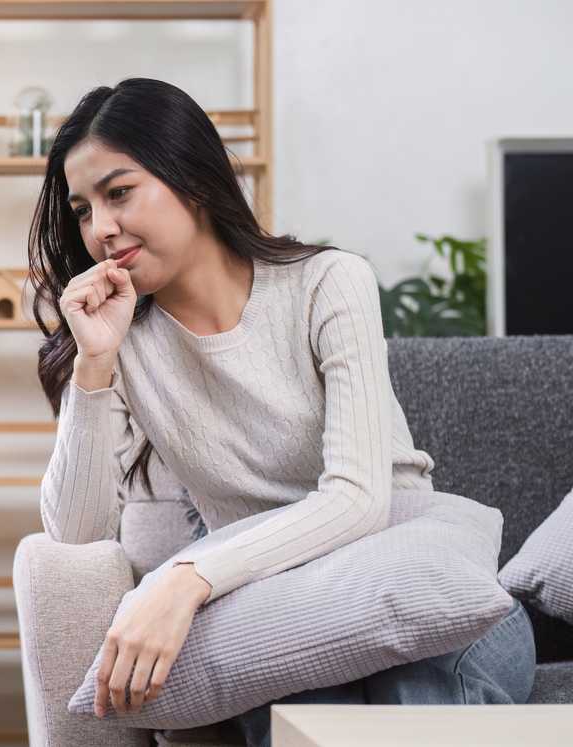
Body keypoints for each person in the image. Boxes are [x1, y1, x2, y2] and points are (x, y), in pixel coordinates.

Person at [27, 77, 535, 746]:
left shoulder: (328, 282)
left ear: (194, 179)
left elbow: (357, 500)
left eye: (119, 193)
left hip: (418, 595)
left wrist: (187, 577)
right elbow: (76, 534)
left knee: (419, 705)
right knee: (310, 720)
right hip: (278, 619)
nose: (100, 228)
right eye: (83, 209)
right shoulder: (124, 339)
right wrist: (94, 363)